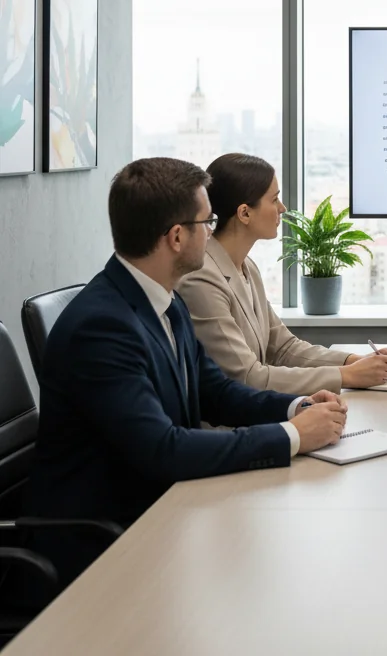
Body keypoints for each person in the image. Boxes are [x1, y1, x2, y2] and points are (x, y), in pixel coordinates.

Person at [26, 158, 348, 585]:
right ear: (177, 237)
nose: (213, 232)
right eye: (207, 222)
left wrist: (296, 408)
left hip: (163, 514)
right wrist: (293, 437)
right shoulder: (102, 327)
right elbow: (162, 449)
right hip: (104, 547)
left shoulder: (166, 300)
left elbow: (215, 390)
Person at [178, 153, 387, 392]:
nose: (282, 208)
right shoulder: (202, 279)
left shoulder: (246, 266)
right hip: (228, 426)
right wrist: (345, 376)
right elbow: (248, 377)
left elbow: (284, 347)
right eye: (274, 200)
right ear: (244, 213)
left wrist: (353, 361)